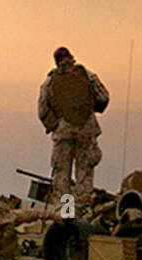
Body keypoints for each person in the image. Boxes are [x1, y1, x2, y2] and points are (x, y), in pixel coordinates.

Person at [37, 47, 109, 211]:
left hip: (63, 133)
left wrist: (54, 125)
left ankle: (65, 211)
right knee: (84, 172)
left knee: (62, 174)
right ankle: (81, 210)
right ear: (71, 58)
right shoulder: (87, 75)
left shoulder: (50, 81)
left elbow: (42, 109)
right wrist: (89, 110)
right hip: (86, 130)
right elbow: (103, 97)